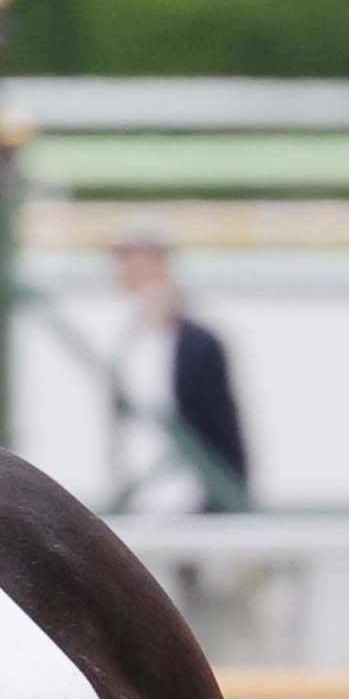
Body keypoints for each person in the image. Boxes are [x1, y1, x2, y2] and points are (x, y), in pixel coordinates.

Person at [105, 220, 253, 513]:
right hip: (142, 494)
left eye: (129, 257)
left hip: (190, 496)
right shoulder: (130, 336)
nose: (121, 268)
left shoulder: (196, 342)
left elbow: (219, 425)